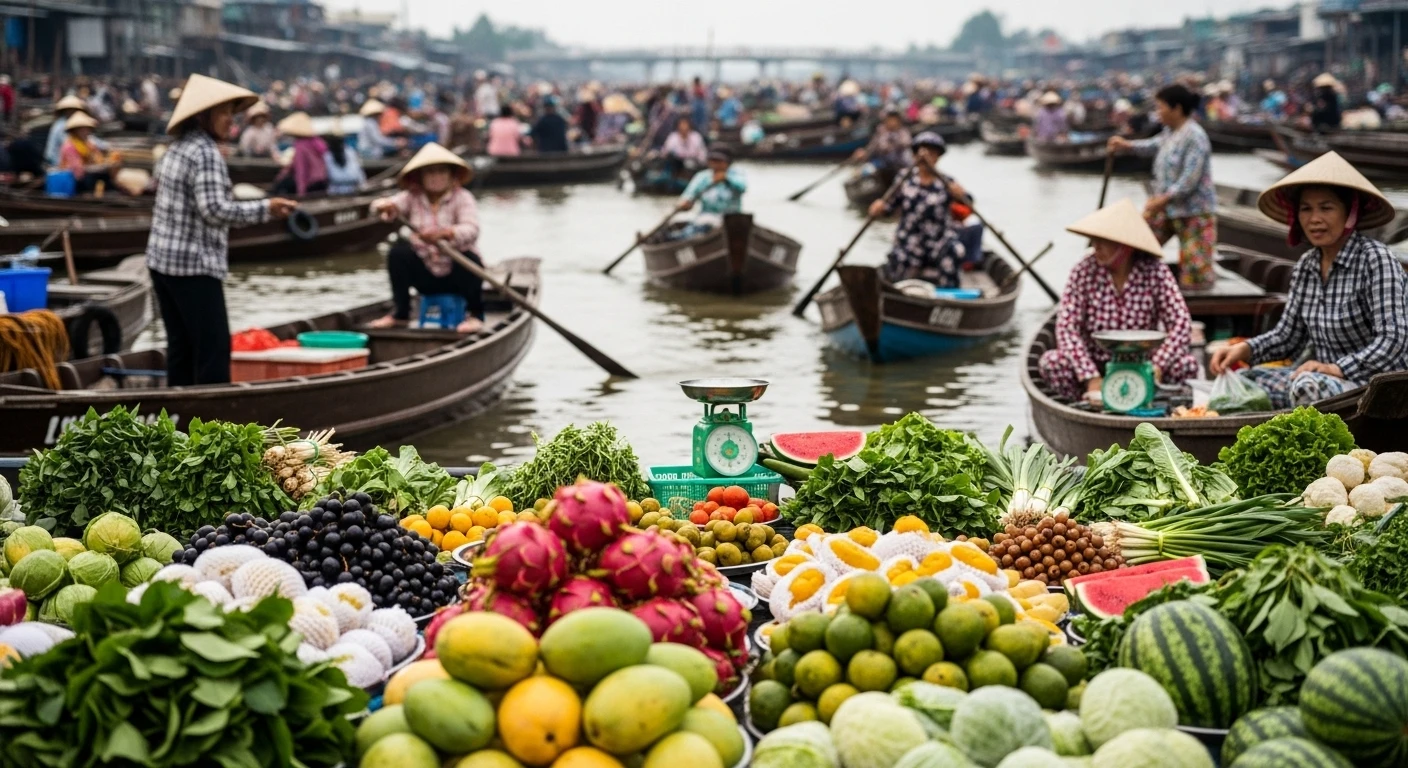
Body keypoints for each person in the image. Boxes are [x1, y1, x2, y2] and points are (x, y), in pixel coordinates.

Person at [1209, 152, 1408, 407]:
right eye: (1306, 209)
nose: (1315, 219)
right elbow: (1288, 337)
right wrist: (1245, 349)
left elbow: (1393, 341)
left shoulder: (1376, 260)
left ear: (1350, 213)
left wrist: (1337, 368)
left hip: (1374, 386)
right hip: (1323, 380)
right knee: (1244, 383)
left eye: (1326, 208)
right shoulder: (1307, 266)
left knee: (1307, 386)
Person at [146, 74, 298, 386]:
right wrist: (265, 208)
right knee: (213, 350)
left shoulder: (176, 148)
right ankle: (211, 423)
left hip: (162, 263)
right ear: (203, 116)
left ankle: (178, 423)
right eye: (224, 113)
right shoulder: (205, 153)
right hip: (193, 266)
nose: (231, 120)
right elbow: (214, 211)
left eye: (231, 112)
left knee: (182, 348)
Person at [1038, 199, 1199, 403]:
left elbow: (1180, 323)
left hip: (1144, 364)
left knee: (1187, 365)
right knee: (1052, 363)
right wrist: (1090, 377)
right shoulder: (1084, 270)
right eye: (1094, 240)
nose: (1095, 246)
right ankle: (1081, 408)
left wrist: (1157, 366)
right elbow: (1067, 328)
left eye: (1102, 241)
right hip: (1095, 364)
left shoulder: (1155, 270)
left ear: (1124, 246)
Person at [1108, 83, 1217, 291]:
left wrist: (1162, 199)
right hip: (1167, 208)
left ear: (1176, 109)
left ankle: (1195, 310)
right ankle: (1134, 291)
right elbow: (1153, 145)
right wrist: (1127, 145)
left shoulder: (1195, 136)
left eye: (1160, 107)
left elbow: (1189, 180)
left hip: (1195, 212)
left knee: (1196, 273)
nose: (1158, 113)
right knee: (1136, 248)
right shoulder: (1170, 132)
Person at [369, 143, 485, 335]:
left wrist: (445, 234)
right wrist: (384, 206)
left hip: (455, 273)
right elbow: (381, 207)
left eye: (441, 172)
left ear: (451, 175)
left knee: (471, 259)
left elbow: (471, 229)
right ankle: (401, 314)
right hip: (426, 273)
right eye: (430, 172)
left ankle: (475, 315)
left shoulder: (463, 198)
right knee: (398, 253)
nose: (436, 177)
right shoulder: (411, 197)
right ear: (420, 177)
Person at [869, 131, 967, 287]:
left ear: (938, 157)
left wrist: (960, 195)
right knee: (898, 260)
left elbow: (968, 206)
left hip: (939, 240)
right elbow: (888, 208)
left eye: (931, 153)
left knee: (955, 251)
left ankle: (950, 295)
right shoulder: (904, 179)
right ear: (915, 156)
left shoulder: (947, 182)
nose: (925, 157)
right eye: (922, 152)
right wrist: (878, 208)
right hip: (909, 240)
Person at [57, 111, 119, 193]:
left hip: (87, 176)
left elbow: (97, 158)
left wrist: (107, 163)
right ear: (75, 131)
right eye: (82, 129)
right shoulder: (69, 146)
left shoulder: (88, 144)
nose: (86, 132)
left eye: (87, 129)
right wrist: (96, 168)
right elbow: (77, 171)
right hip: (74, 180)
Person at [272, 112, 328, 197]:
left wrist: (301, 192)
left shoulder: (300, 145)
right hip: (322, 181)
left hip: (311, 183)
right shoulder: (317, 142)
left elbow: (301, 170)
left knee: (282, 185)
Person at [852, 109, 912, 175]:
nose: (892, 122)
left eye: (894, 119)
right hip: (884, 163)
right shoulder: (881, 132)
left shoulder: (903, 132)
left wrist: (891, 144)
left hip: (901, 163)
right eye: (889, 119)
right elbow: (873, 146)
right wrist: (865, 152)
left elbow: (906, 143)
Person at [45, 95, 90, 166]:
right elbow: (71, 144)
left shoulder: (75, 125)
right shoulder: (61, 126)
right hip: (56, 162)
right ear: (66, 111)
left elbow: (90, 138)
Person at [323, 129, 365, 195]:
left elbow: (358, 172)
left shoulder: (350, 152)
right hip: (336, 190)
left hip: (351, 189)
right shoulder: (327, 156)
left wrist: (362, 186)